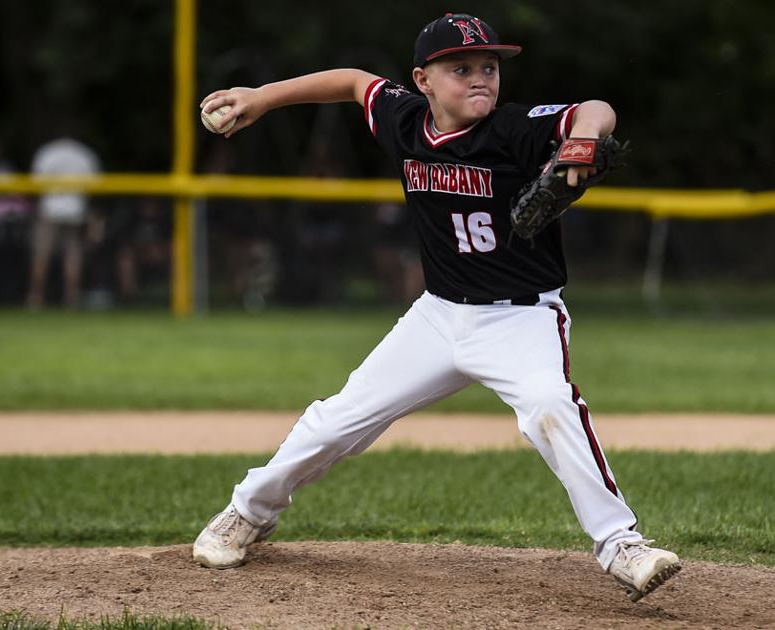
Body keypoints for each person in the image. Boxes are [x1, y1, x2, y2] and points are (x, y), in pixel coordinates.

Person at [193, 13, 681, 603]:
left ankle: (621, 544)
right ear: (422, 80)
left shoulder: (514, 129)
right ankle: (248, 512)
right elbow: (352, 81)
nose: (480, 78)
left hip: (520, 318)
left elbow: (596, 109)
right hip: (437, 315)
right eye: (461, 68)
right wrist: (261, 97)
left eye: (489, 67)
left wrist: (581, 141)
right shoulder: (404, 121)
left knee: (551, 407)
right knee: (339, 419)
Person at [26, 136, 100, 309]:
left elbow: (36, 183)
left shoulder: (47, 152)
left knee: (42, 255)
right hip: (75, 210)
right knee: (72, 256)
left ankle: (36, 298)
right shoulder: (85, 154)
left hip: (50, 209)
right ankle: (70, 299)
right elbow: (94, 186)